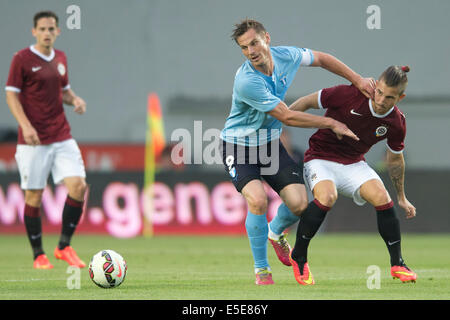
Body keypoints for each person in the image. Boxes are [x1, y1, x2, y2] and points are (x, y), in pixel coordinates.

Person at [219, 19, 375, 285]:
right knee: (257, 200)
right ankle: (262, 271)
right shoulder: (247, 81)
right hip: (238, 146)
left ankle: (275, 232)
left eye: (254, 43)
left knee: (300, 204)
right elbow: (287, 117)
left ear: (266, 38)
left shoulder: (286, 56)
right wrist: (330, 121)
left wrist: (357, 79)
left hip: (268, 145)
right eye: (244, 48)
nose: (251, 51)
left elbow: (322, 59)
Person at [285, 65, 417, 285]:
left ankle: (398, 264)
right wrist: (283, 118)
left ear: (400, 97)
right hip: (320, 158)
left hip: (353, 163)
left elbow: (395, 160)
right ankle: (299, 255)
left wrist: (401, 197)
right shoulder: (348, 94)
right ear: (375, 84)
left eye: (390, 97)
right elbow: (308, 101)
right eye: (380, 92)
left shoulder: (396, 122)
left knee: (383, 198)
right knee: (327, 197)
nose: (382, 100)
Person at [5, 11, 87, 269]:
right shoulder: (22, 59)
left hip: (61, 134)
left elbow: (62, 90)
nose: (47, 33)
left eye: (51, 29)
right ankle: (38, 255)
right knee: (34, 195)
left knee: (78, 186)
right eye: (42, 29)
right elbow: (11, 95)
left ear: (58, 31)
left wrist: (75, 99)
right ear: (34, 31)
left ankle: (64, 246)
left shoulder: (60, 58)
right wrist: (26, 126)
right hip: (33, 140)